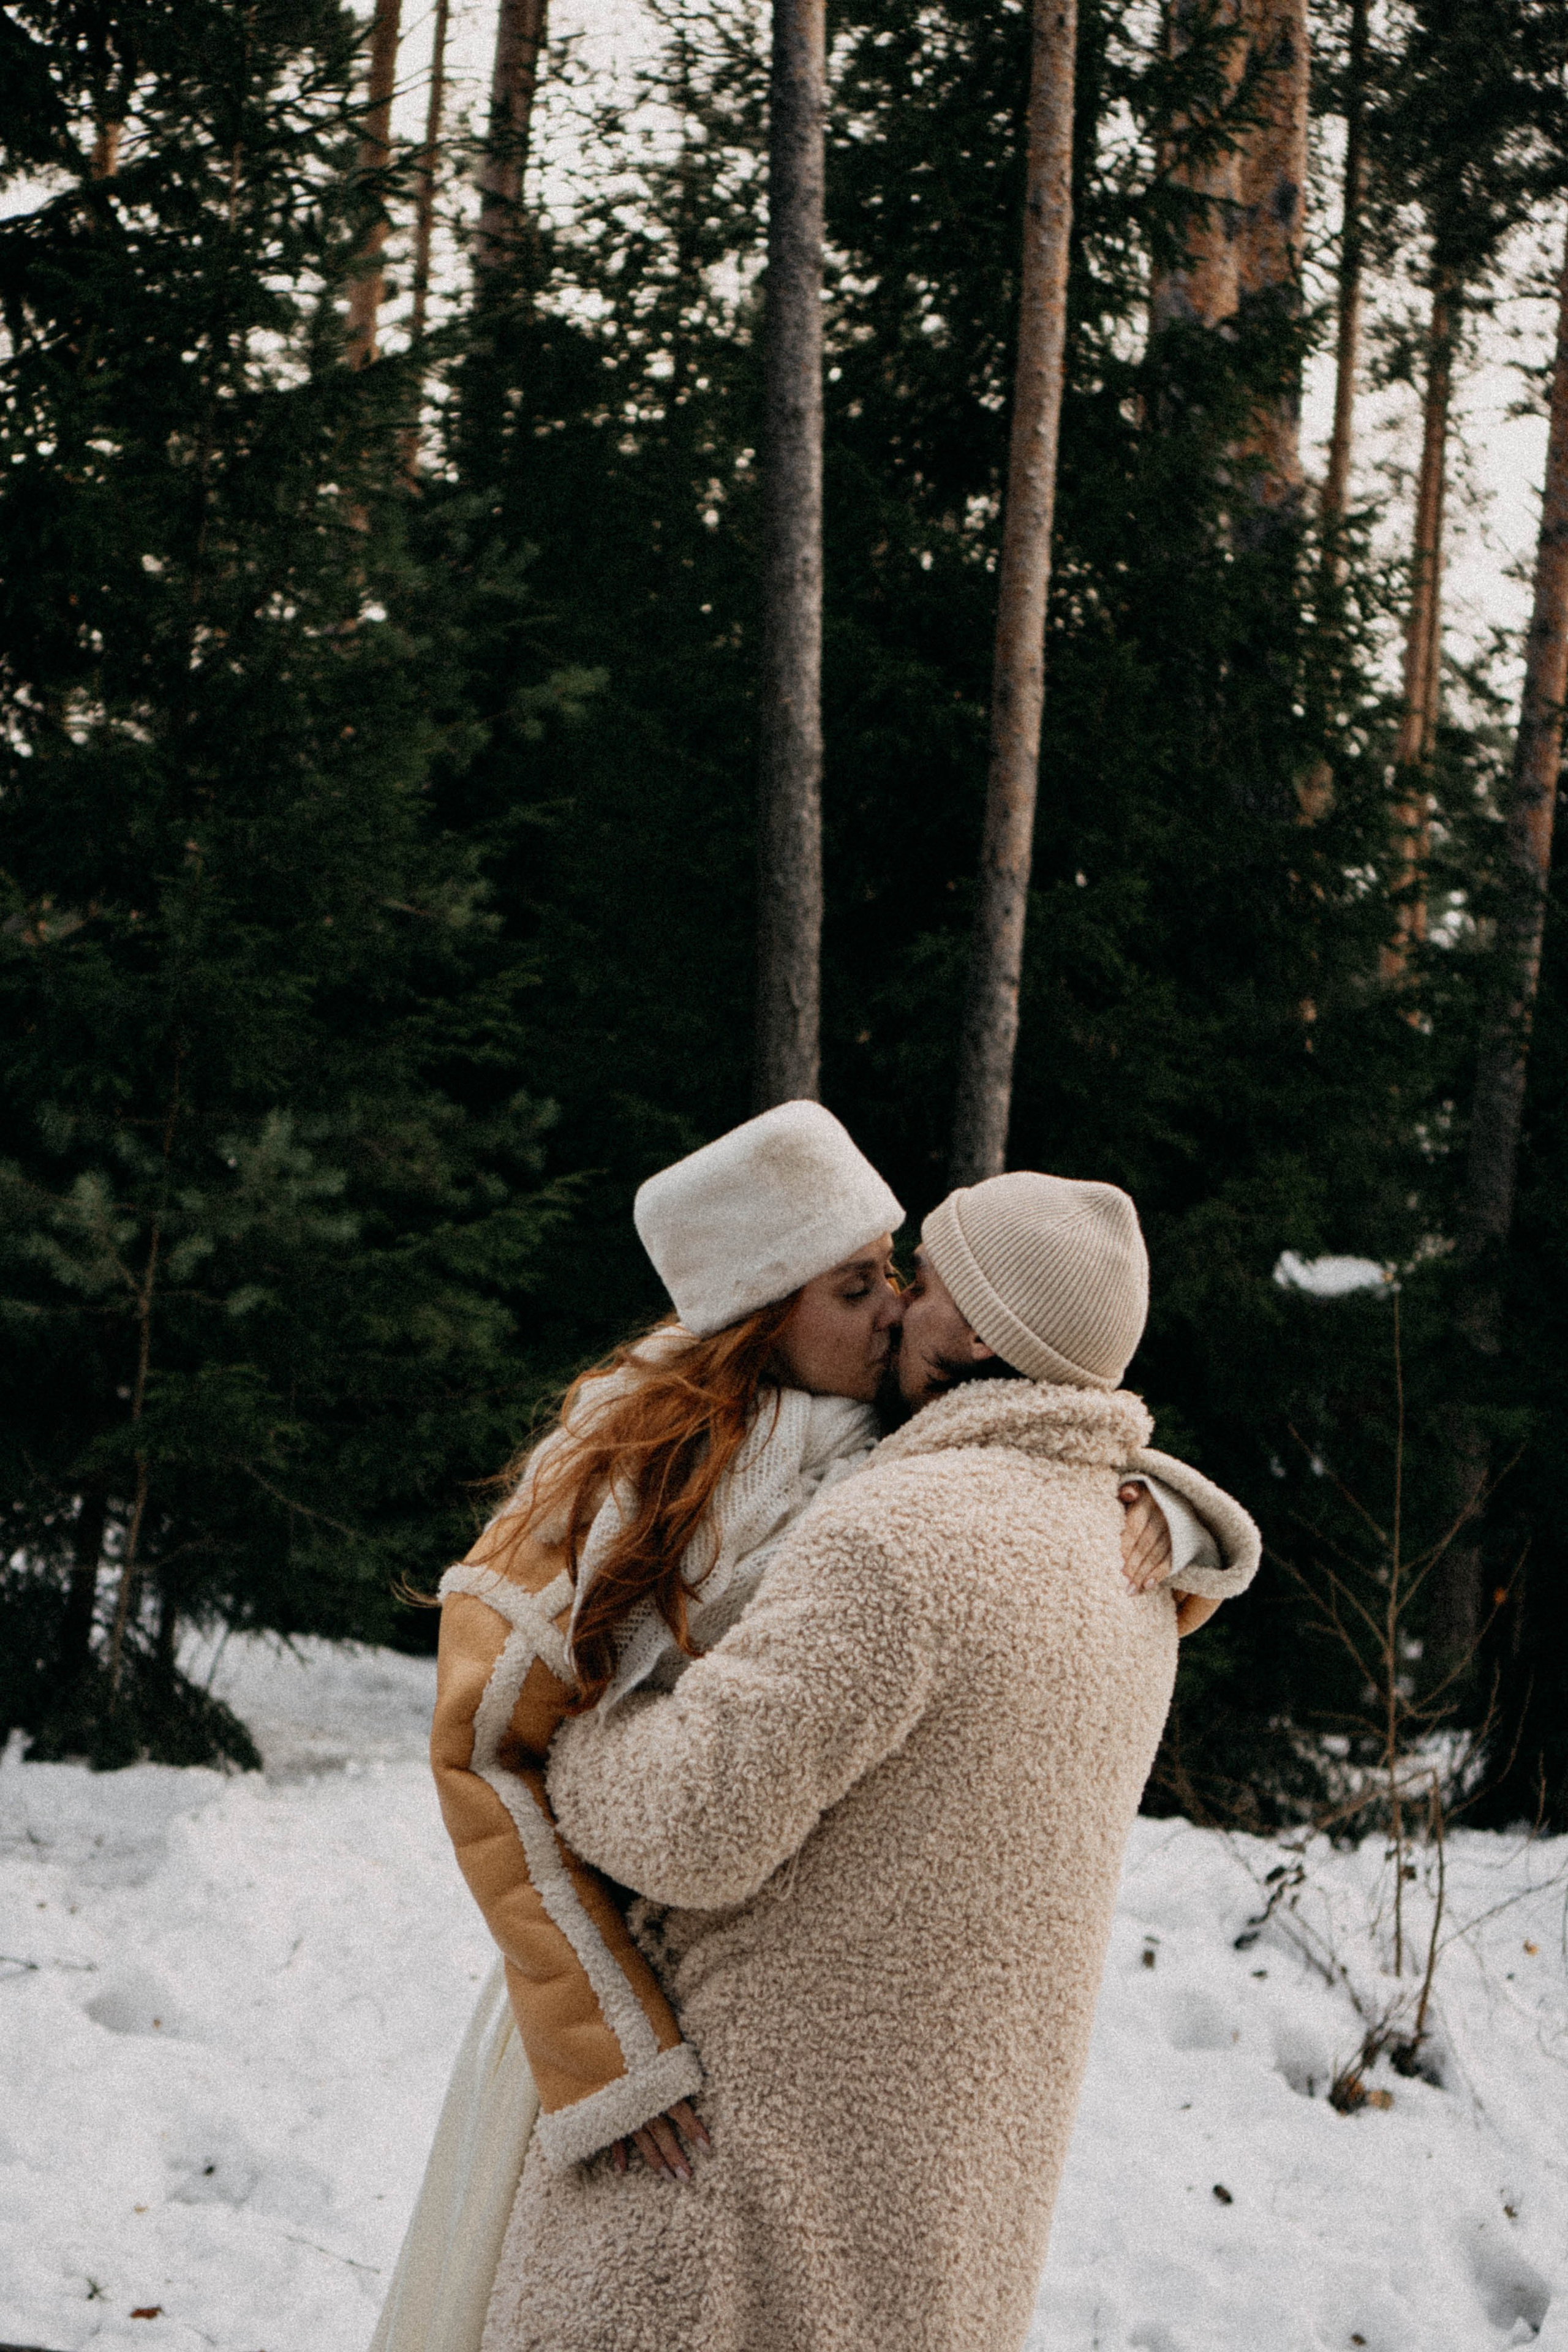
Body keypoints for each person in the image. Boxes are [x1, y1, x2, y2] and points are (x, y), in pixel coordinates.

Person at [370, 1108, 1253, 2352]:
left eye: (908, 1277)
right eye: (861, 1283)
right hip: (626, 2028)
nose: (895, 1307)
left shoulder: (910, 1497)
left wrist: (1176, 1510)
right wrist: (603, 2050)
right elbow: (480, 1748)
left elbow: (700, 1816)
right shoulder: (624, 1480)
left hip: (765, 2114)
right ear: (757, 1310)